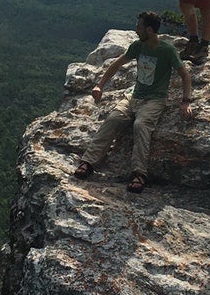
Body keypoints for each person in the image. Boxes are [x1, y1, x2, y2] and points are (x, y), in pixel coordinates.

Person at [74, 11, 193, 193]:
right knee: (113, 119)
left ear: (150, 30)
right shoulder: (138, 46)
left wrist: (186, 101)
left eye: (139, 27)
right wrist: (100, 86)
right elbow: (116, 64)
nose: (136, 30)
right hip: (133, 96)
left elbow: (185, 75)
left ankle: (139, 173)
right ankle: (88, 162)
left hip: (154, 100)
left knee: (141, 124)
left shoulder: (167, 51)